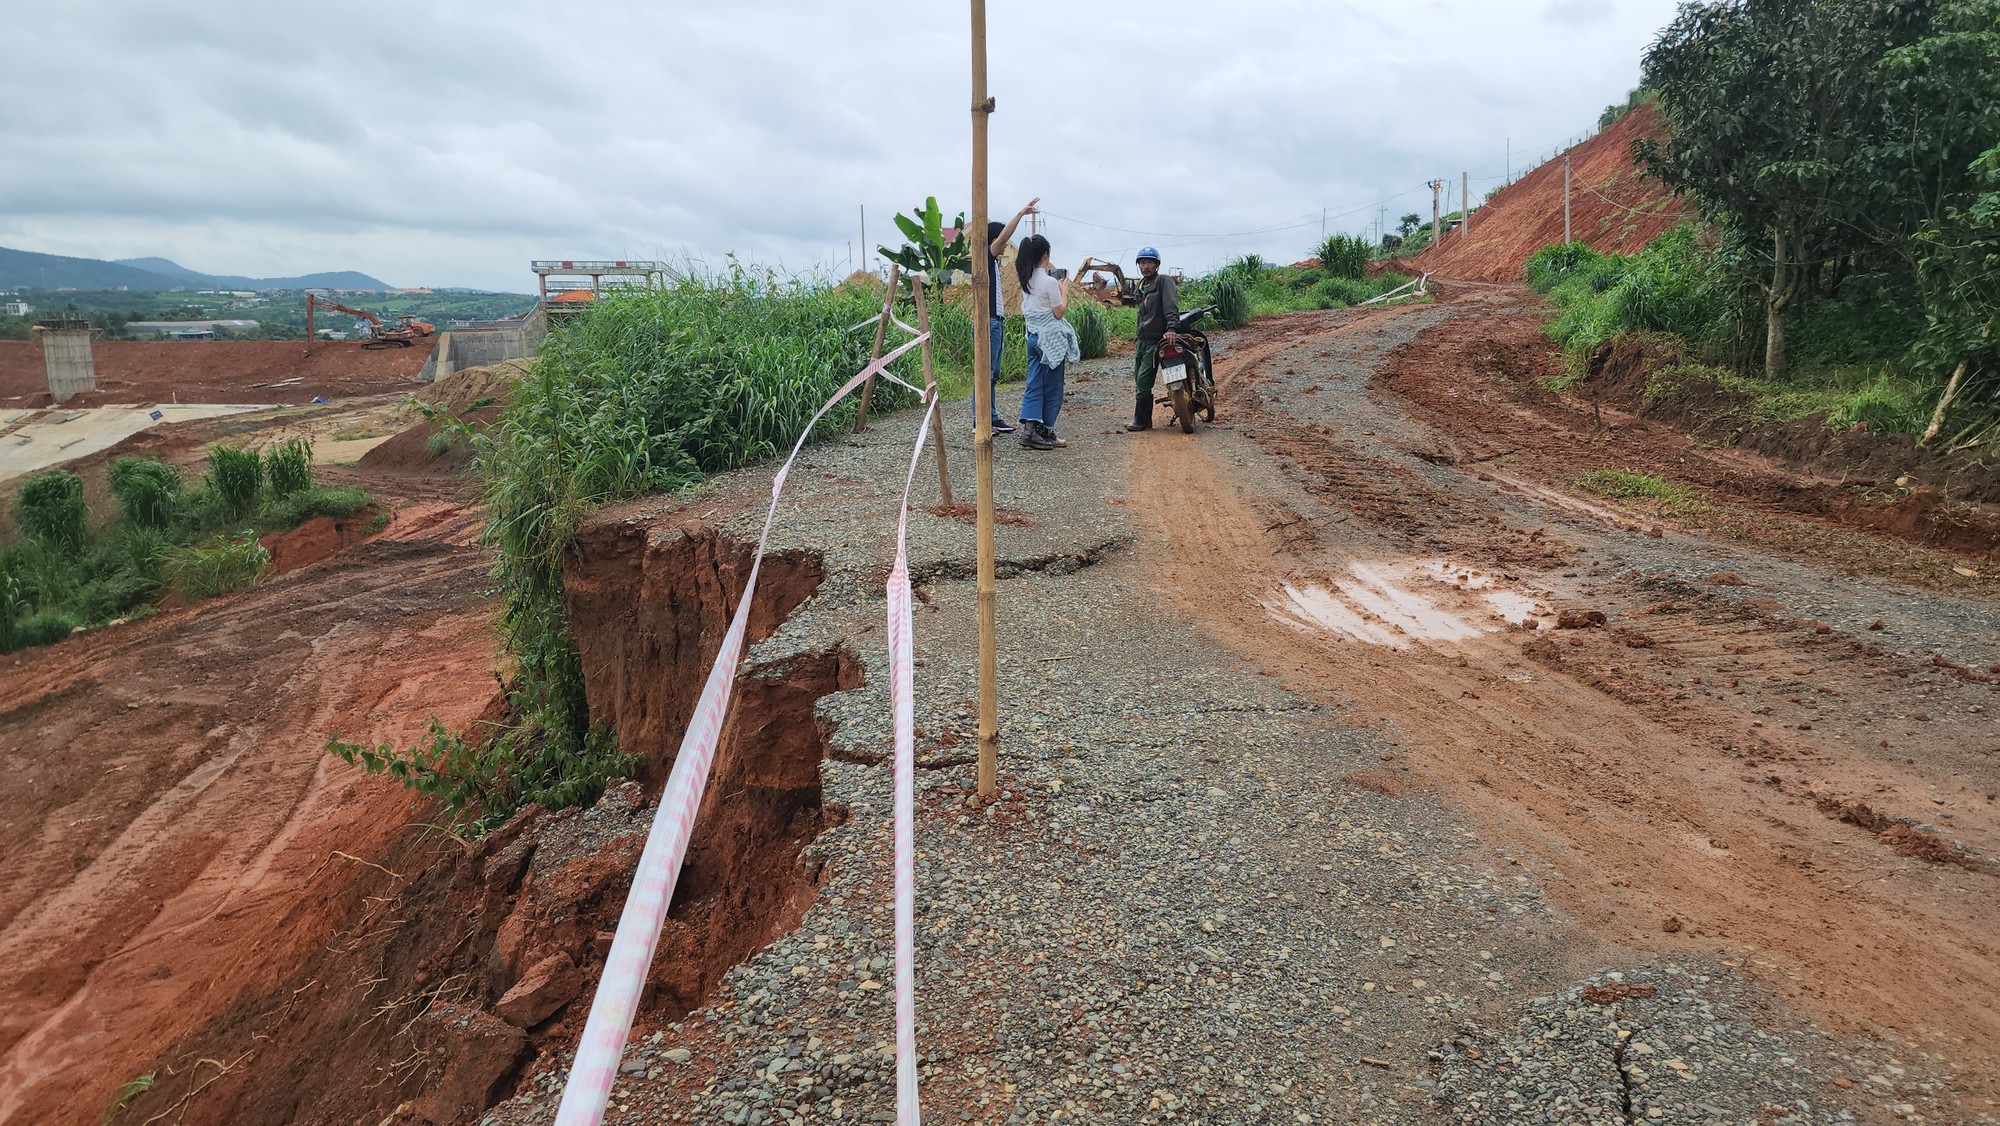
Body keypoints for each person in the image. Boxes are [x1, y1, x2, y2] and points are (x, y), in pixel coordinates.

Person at [1014, 234, 1080, 450]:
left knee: (1034, 383)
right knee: (1053, 387)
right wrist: (1064, 291)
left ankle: (1029, 430)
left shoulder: (1026, 279)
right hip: (1049, 341)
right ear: (1045, 255)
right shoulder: (1050, 282)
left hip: (1032, 337)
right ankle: (1045, 431)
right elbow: (1059, 312)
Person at [979, 198, 1038, 434]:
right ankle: (980, 420)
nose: (1005, 246)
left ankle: (990, 417)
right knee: (984, 374)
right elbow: (1003, 237)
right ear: (994, 240)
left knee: (992, 374)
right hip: (988, 322)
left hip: (996, 322)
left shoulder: (992, 263)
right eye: (1001, 242)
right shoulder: (986, 255)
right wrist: (1022, 213)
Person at [1126, 247, 1179, 432]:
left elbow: (1171, 305)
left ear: (1157, 265)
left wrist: (1171, 327)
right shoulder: (1141, 285)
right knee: (1138, 379)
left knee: (1143, 381)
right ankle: (1145, 420)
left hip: (1157, 341)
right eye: (1142, 262)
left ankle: (1140, 420)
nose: (1145, 266)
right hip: (1142, 340)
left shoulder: (1163, 281)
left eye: (1149, 262)